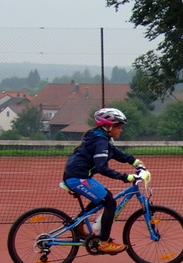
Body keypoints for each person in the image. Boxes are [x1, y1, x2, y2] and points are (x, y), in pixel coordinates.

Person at [61, 107, 146, 255]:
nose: (121, 130)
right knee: (109, 202)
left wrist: (136, 162)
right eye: (118, 126)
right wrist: (126, 177)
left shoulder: (101, 137)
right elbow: (102, 167)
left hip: (77, 175)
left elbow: (116, 153)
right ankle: (104, 242)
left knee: (102, 197)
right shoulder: (100, 140)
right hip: (77, 178)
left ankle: (78, 223)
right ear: (108, 126)